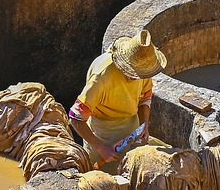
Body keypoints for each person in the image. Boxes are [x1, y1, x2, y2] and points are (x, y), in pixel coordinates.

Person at [69, 30, 167, 170]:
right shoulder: (101, 77)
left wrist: (144, 125)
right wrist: (102, 148)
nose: (139, 77)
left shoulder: (143, 67)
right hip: (104, 137)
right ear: (125, 65)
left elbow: (145, 96)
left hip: (132, 132)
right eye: (135, 74)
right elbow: (75, 117)